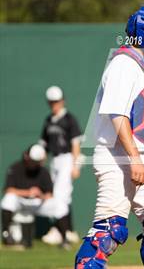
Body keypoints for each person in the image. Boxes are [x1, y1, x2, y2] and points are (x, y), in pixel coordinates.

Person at [74, 6, 144, 268]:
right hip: (117, 156)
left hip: (135, 155)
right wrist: (134, 159)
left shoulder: (142, 64)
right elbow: (117, 114)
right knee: (108, 232)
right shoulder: (124, 64)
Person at [39, 85, 82, 247]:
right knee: (62, 196)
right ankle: (67, 231)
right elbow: (44, 144)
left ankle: (60, 233)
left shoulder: (69, 119)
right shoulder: (49, 120)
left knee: (59, 195)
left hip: (67, 159)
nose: (54, 105)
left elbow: (76, 143)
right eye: (51, 102)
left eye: (56, 101)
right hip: (54, 160)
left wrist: (75, 165)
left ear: (62, 101)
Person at [1, 144, 65, 248]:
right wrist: (28, 192)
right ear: (27, 156)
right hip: (20, 202)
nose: (33, 164)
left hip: (37, 203)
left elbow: (49, 194)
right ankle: (6, 234)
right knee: (8, 199)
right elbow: (8, 190)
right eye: (32, 161)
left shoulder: (43, 171)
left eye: (36, 162)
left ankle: (64, 238)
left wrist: (41, 195)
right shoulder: (15, 167)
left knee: (60, 205)